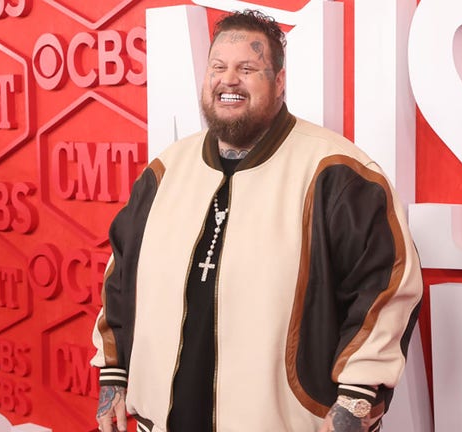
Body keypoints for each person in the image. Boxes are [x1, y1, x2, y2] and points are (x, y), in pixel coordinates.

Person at [91, 9, 423, 432]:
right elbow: (122, 277)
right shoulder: (166, 171)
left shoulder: (337, 172)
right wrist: (114, 375)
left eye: (247, 68)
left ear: (279, 81)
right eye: (218, 67)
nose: (229, 80)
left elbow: (388, 286)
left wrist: (355, 402)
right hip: (162, 421)